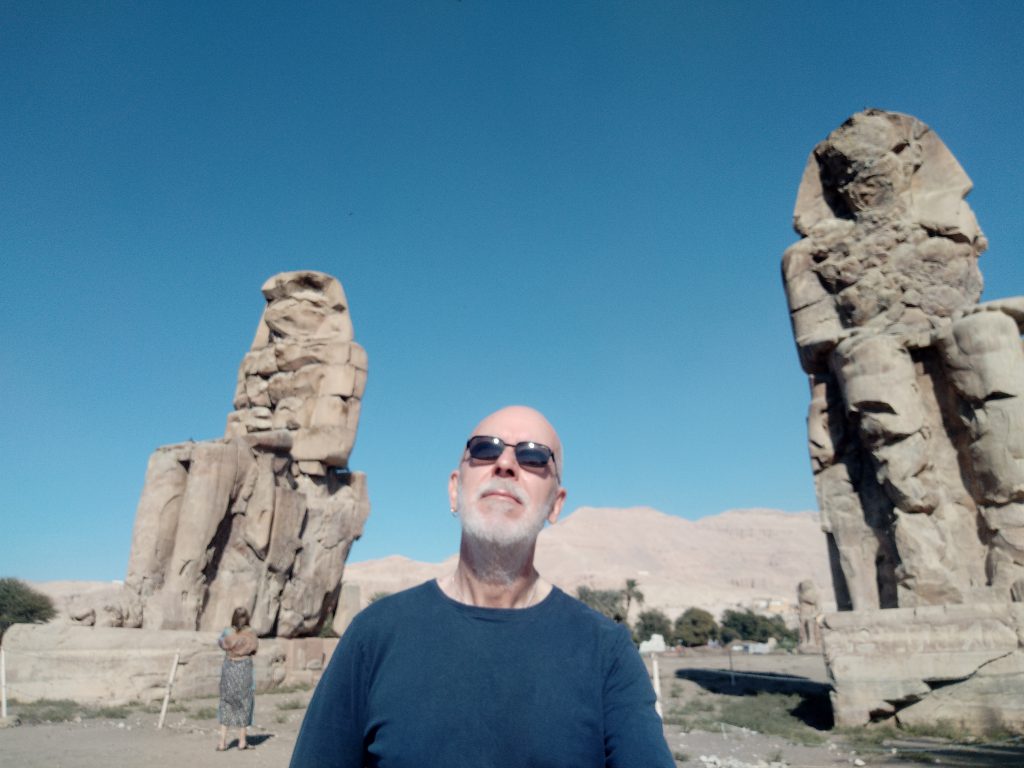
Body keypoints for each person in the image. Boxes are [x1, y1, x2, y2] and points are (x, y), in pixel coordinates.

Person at [290, 405, 674, 767]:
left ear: (555, 505)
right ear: (454, 489)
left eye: (534, 456)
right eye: (484, 449)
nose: (505, 464)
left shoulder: (606, 653)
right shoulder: (374, 635)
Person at [217, 606, 259, 751]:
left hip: (229, 668)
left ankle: (222, 742)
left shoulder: (227, 632)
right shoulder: (251, 633)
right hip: (245, 668)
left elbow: (221, 643)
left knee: (226, 702)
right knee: (245, 703)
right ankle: (242, 741)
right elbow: (254, 649)